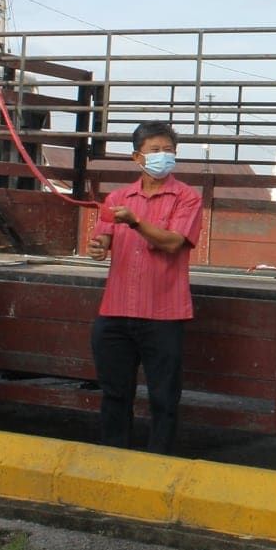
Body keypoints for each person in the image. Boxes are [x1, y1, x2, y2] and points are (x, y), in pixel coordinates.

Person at [87, 122, 203, 454]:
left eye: (169, 150)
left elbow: (172, 243)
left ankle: (158, 464)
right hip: (116, 311)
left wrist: (136, 222)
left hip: (163, 314)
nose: (164, 156)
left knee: (164, 398)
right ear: (137, 157)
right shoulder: (117, 197)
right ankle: (114, 459)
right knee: (114, 395)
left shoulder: (187, 198)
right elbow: (102, 240)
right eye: (155, 150)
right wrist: (98, 248)